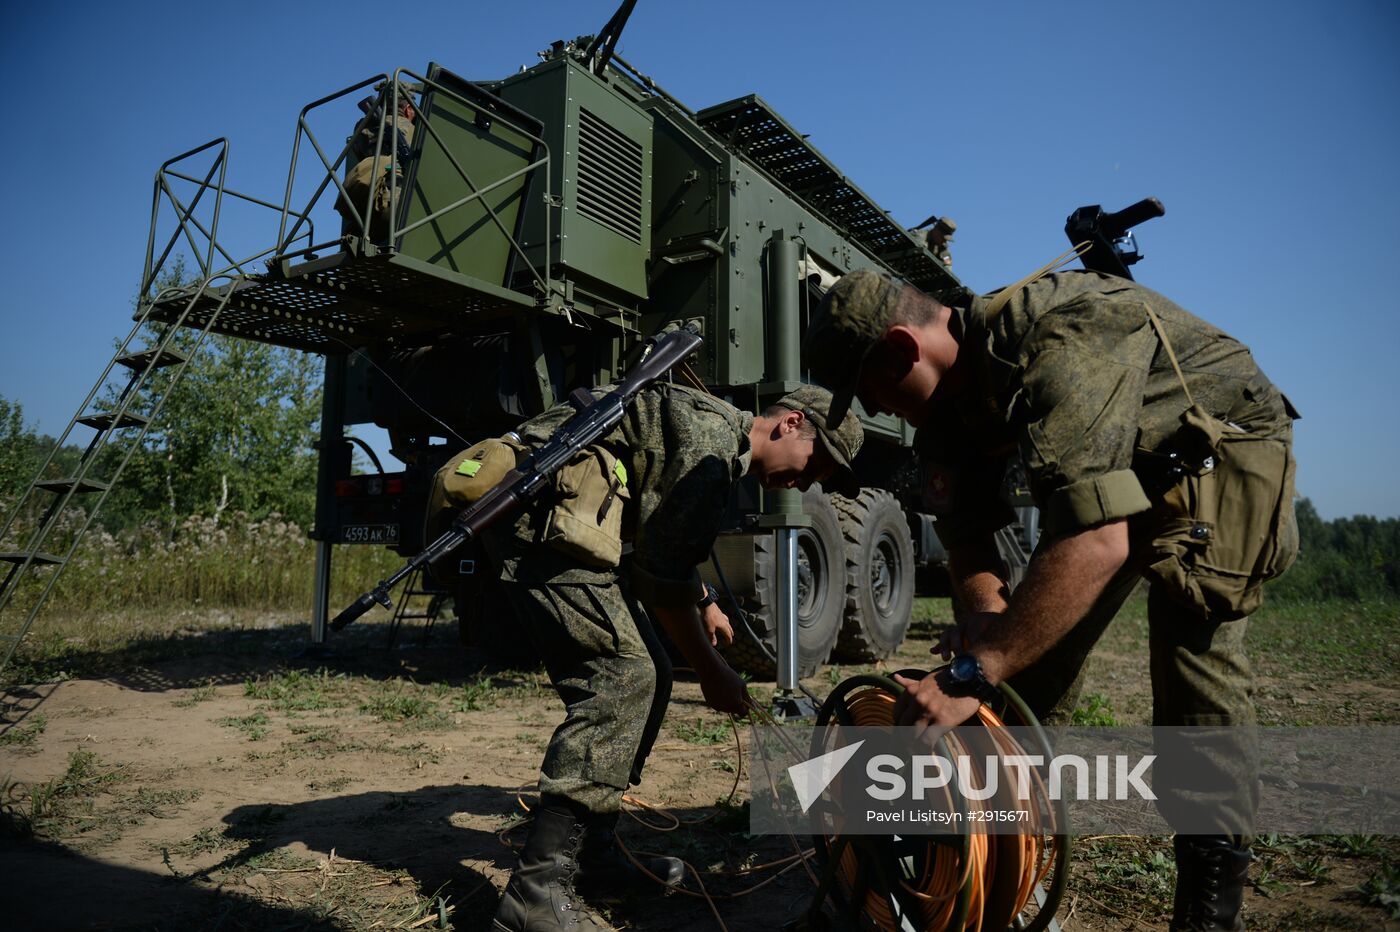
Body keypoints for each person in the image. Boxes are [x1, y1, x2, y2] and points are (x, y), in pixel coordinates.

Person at [804, 267, 1299, 932]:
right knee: (1024, 671)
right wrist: (987, 635)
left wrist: (974, 670)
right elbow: (969, 544)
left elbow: (1096, 542)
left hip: (1216, 445)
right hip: (1116, 480)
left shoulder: (1058, 338)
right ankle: (1002, 869)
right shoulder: (946, 417)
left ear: (902, 348)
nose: (876, 408)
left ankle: (1210, 903)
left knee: (1192, 663)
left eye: (872, 391)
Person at [429, 383, 863, 932]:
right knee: (623, 676)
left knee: (652, 673)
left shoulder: (717, 442)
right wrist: (711, 672)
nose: (804, 482)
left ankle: (591, 856)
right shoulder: (712, 444)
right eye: (812, 464)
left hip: (562, 519)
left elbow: (663, 542)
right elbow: (659, 582)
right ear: (791, 423)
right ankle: (535, 894)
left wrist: (702, 602)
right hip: (538, 522)